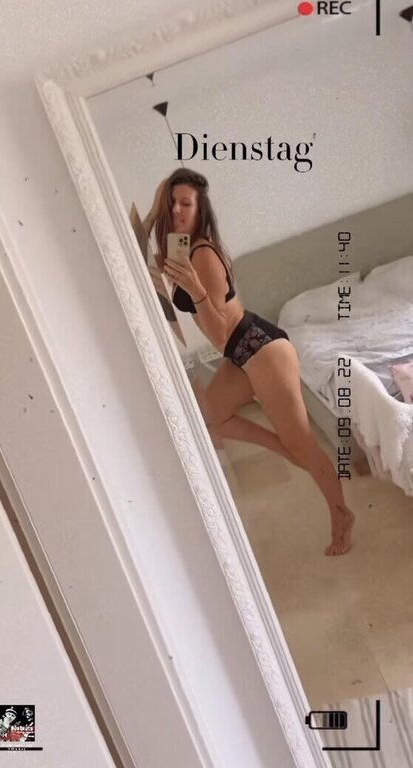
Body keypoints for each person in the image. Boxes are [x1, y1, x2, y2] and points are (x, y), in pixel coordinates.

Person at [143, 168, 355, 556]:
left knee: (303, 444)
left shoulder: (203, 255)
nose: (177, 211)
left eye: (185, 204)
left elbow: (220, 332)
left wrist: (195, 290)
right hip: (241, 353)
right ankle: (288, 450)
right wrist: (155, 223)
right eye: (172, 204)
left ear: (200, 209)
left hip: (260, 348)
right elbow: (148, 252)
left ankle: (341, 516)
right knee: (213, 415)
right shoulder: (180, 250)